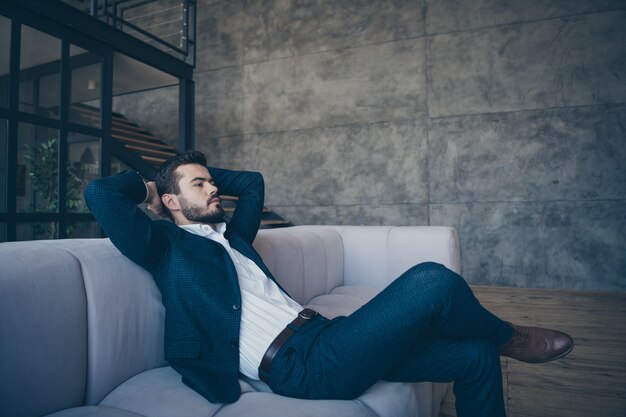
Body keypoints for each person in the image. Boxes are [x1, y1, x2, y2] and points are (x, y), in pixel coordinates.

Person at [85, 150, 573, 417]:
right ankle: (510, 336)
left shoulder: (234, 238)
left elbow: (251, 181)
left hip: (328, 337)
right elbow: (100, 194)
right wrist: (154, 186)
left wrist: (196, 175)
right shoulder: (164, 248)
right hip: (301, 367)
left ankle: (494, 344)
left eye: (212, 181)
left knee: (473, 357)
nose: (214, 188)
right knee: (431, 281)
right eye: (199, 185)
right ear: (171, 203)